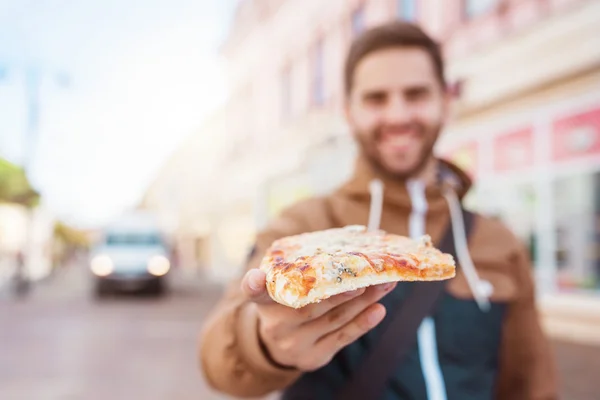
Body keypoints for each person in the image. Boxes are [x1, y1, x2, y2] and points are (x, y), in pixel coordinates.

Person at [198, 21, 557, 399]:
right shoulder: (303, 228)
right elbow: (218, 361)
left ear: (445, 103)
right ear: (349, 112)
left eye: (416, 94)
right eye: (376, 99)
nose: (398, 115)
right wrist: (264, 341)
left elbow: (532, 383)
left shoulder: (499, 242)